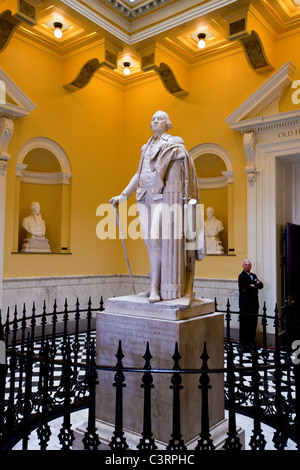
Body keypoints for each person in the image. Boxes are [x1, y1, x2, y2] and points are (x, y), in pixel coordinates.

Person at [110, 110, 205, 303]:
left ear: (168, 123)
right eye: (153, 118)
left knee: (157, 241)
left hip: (163, 198)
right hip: (143, 196)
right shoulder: (146, 147)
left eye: (159, 118)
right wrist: (123, 195)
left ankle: (155, 288)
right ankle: (156, 285)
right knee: (150, 243)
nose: (155, 121)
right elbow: (139, 175)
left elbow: (183, 164)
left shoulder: (174, 143)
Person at [238, 259, 264, 349]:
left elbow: (261, 285)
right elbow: (247, 288)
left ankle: (251, 342)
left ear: (251, 266)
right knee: (245, 324)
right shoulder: (241, 276)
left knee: (253, 324)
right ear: (243, 266)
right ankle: (244, 343)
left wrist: (253, 286)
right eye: (246, 265)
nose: (247, 266)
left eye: (249, 265)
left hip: (254, 304)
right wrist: (254, 285)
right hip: (245, 304)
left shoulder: (253, 275)